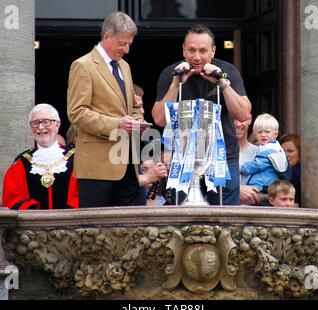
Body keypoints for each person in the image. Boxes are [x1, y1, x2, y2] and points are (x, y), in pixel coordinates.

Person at [151, 24, 251, 205]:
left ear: (213, 51)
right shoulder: (171, 73)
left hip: (222, 156)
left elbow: (243, 113)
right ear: (183, 50)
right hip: (183, 159)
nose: (197, 57)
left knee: (225, 218)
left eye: (203, 51)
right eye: (191, 50)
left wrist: (222, 83)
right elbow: (158, 119)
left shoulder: (226, 71)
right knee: (182, 218)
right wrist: (175, 85)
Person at [67, 12, 148, 208]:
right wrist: (117, 124)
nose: (127, 49)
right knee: (95, 232)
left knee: (127, 231)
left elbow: (133, 106)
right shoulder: (83, 65)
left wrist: (138, 121)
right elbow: (76, 112)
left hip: (127, 162)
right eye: (122, 43)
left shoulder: (125, 67)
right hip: (97, 166)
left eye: (129, 44)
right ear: (106, 37)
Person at [2, 103, 78, 210]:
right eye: (35, 123)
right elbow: (11, 200)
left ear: (57, 125)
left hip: (70, 225)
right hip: (32, 226)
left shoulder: (77, 160)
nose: (41, 127)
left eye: (46, 121)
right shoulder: (20, 165)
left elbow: (84, 195)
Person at [241, 113, 289, 199]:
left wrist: (242, 168)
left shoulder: (269, 151)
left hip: (263, 186)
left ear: (276, 134)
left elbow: (257, 164)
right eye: (260, 132)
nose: (263, 134)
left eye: (267, 132)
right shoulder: (275, 147)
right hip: (269, 184)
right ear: (255, 135)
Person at [234, 115, 260, 205]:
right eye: (233, 119)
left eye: (241, 119)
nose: (237, 124)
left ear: (249, 120)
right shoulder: (218, 152)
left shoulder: (260, 152)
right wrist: (237, 190)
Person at [279, 133, 301, 207]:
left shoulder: (298, 171)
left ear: (300, 152)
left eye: (290, 151)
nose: (285, 155)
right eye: (281, 151)